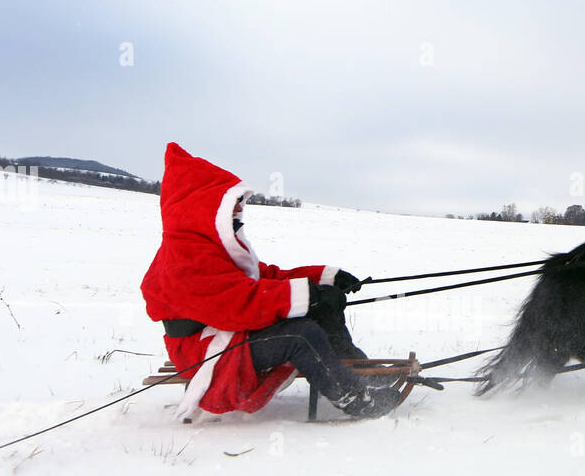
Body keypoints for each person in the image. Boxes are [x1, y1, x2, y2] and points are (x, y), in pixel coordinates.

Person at [140, 143, 401, 421]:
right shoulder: (184, 258)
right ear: (201, 209)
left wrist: (325, 278)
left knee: (322, 311)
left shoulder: (209, 246)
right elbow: (240, 303)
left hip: (228, 335)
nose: (238, 213)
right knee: (301, 335)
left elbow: (265, 277)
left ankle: (358, 371)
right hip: (207, 352)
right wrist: (309, 295)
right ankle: (354, 398)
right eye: (230, 207)